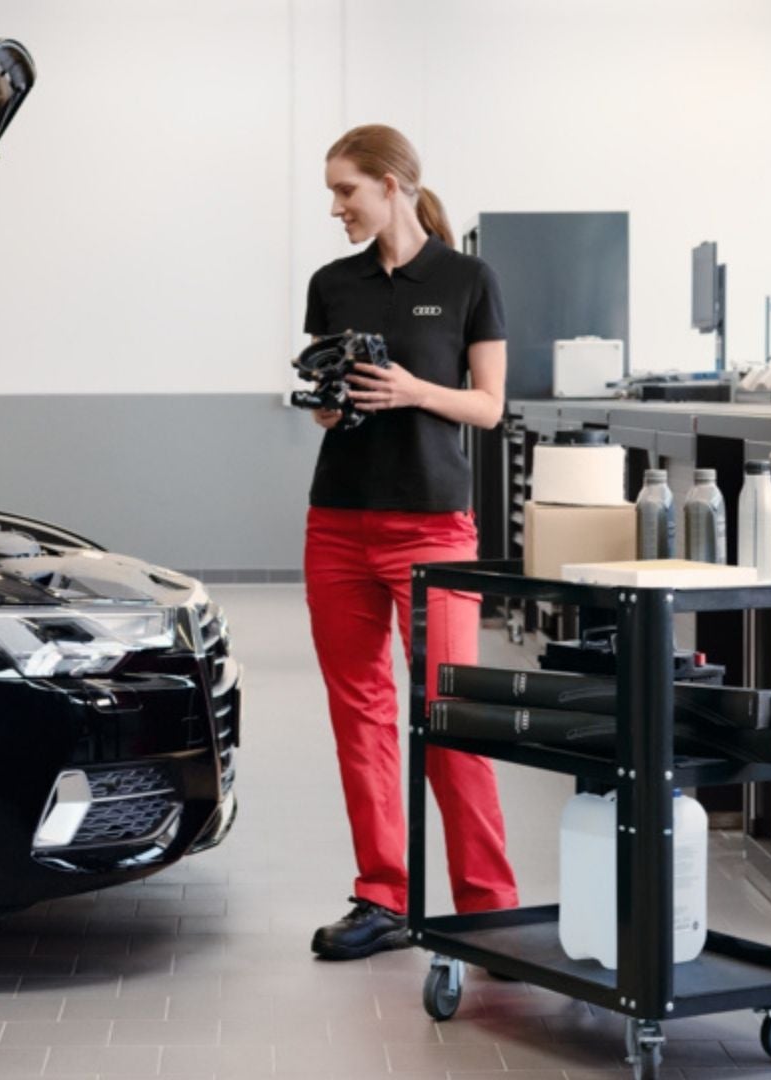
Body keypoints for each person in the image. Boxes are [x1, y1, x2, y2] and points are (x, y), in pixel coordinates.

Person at [301, 124, 520, 961]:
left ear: (391, 185)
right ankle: (382, 895)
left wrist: (414, 389)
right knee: (360, 716)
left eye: (346, 191)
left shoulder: (468, 279)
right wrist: (332, 405)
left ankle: (488, 907)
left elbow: (490, 405)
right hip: (338, 522)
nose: (336, 208)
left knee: (449, 715)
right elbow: (333, 390)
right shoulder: (332, 283)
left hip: (433, 525)